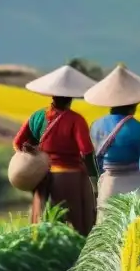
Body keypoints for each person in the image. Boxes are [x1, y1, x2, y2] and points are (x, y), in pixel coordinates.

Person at [12, 65, 99, 235]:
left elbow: (17, 143)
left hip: (43, 178)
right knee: (75, 226)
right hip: (71, 179)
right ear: (71, 98)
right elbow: (86, 151)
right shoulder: (76, 120)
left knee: (43, 225)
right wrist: (94, 179)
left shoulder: (37, 116)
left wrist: (33, 158)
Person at [84, 64, 140, 221]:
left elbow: (92, 158)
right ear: (133, 104)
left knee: (108, 229)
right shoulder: (139, 128)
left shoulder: (96, 125)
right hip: (137, 186)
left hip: (108, 184)